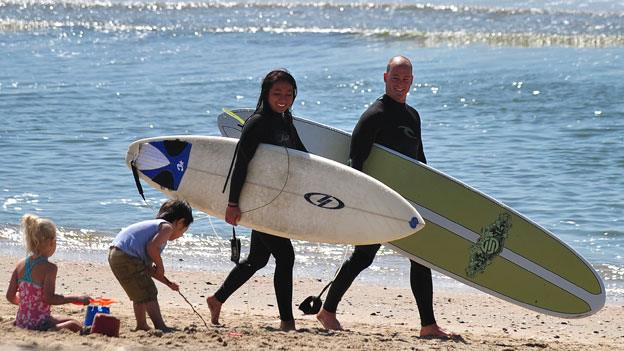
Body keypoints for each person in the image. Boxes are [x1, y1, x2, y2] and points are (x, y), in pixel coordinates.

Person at [316, 56, 459, 339]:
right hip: (378, 199)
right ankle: (328, 310)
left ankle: (427, 324)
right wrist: (359, 201)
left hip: (406, 199)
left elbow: (419, 160)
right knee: (363, 257)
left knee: (419, 257)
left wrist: (431, 194)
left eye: (406, 80)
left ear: (412, 81)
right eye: (395, 78)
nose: (401, 85)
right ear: (385, 78)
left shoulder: (413, 116)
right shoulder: (375, 115)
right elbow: (355, 162)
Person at [207, 69, 307, 332]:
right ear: (266, 94)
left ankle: (216, 299)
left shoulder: (286, 120)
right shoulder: (257, 123)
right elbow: (240, 164)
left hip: (276, 200)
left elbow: (302, 157)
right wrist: (232, 203)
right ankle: (287, 322)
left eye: (288, 93)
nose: (283, 98)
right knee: (286, 257)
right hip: (258, 201)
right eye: (277, 93)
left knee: (257, 260)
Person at [108, 199, 193, 331]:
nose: (180, 236)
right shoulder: (167, 227)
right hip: (127, 256)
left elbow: (147, 270)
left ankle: (141, 325)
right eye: (183, 231)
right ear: (180, 222)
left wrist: (168, 283)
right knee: (149, 292)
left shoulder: (155, 227)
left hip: (116, 254)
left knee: (139, 292)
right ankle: (160, 326)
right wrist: (161, 266)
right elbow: (151, 247)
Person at [6, 214, 91, 332]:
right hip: (39, 324)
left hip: (22, 320)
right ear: (51, 242)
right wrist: (76, 298)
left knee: (71, 320)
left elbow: (9, 296)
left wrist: (26, 304)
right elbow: (49, 298)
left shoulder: (20, 264)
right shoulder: (50, 268)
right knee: (73, 324)